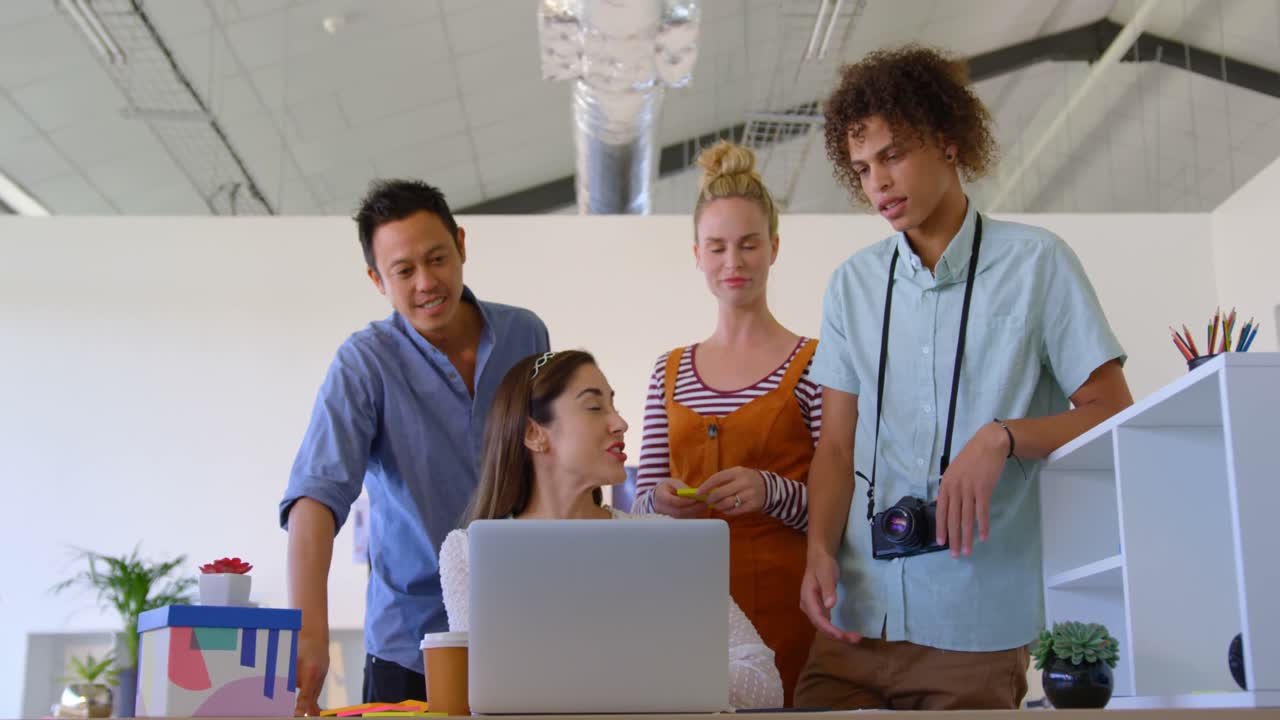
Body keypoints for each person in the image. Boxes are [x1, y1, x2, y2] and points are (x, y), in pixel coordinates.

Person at [796, 46, 1135, 711]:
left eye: (893, 156)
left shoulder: (1038, 264)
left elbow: (1111, 411)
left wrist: (1001, 437)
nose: (878, 185)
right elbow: (835, 447)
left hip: (975, 630)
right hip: (853, 622)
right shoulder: (852, 286)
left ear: (949, 143)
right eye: (862, 169)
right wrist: (817, 550)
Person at [279, 180, 549, 713]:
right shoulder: (364, 363)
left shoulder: (527, 336)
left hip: (522, 630)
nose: (427, 283)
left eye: (438, 259)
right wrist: (309, 632)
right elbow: (316, 497)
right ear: (377, 279)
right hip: (410, 646)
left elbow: (554, 465)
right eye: (404, 270)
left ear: (462, 245)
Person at [438, 350, 784, 710]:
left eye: (613, 406)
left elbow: (763, 680)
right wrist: (661, 677)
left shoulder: (664, 541)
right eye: (594, 407)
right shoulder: (466, 552)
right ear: (533, 433)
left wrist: (632, 680)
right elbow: (475, 693)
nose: (620, 422)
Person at [630, 141, 820, 704]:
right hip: (689, 616)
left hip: (793, 615)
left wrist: (772, 491)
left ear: (774, 248)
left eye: (748, 245)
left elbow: (842, 513)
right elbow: (640, 505)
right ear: (696, 255)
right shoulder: (668, 372)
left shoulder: (815, 365)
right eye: (716, 248)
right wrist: (659, 503)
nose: (732, 263)